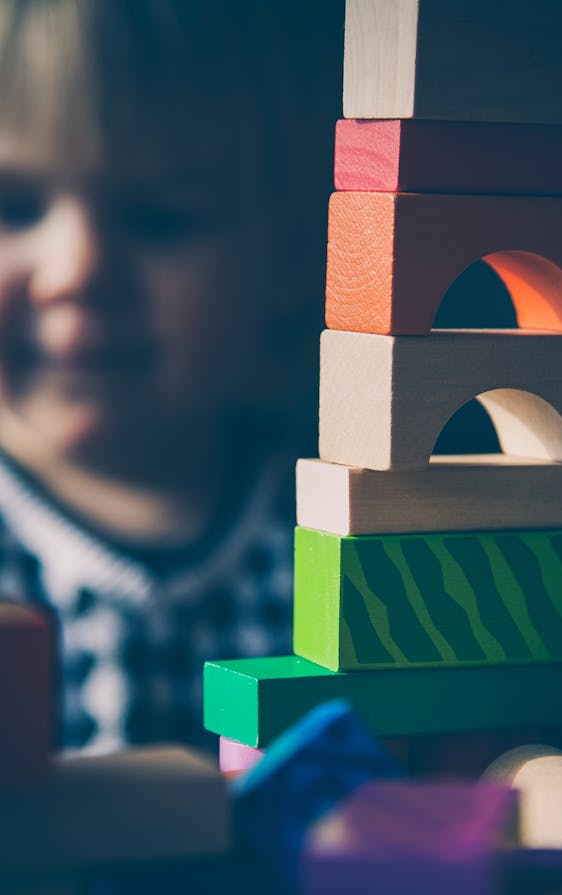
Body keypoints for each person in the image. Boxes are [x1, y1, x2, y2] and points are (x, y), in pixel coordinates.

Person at [0, 0, 331, 754]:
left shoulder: (336, 536)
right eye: (13, 208)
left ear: (290, 260)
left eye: (159, 217)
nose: (78, 270)